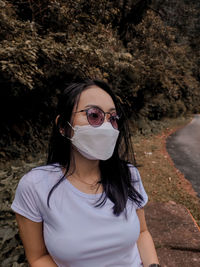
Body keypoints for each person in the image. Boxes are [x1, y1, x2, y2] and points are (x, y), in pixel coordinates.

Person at [11, 79, 160, 267]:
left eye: (112, 118)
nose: (107, 126)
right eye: (94, 115)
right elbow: (38, 257)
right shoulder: (35, 186)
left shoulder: (127, 175)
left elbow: (142, 233)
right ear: (63, 126)